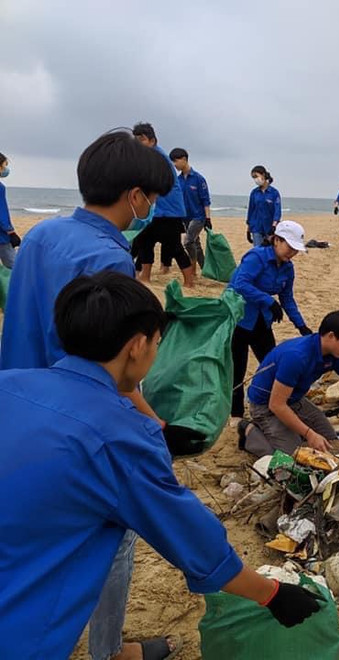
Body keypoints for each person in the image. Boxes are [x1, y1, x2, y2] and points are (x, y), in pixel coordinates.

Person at [0, 273, 324, 659]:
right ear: (137, 346)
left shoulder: (10, 382)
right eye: (157, 343)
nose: (156, 353)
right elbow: (190, 537)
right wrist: (271, 594)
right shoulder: (122, 437)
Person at [0, 129, 184, 660]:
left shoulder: (40, 236)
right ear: (135, 196)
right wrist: (153, 422)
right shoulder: (111, 259)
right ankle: (109, 651)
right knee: (113, 535)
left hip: (17, 404)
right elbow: (107, 367)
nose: (150, 206)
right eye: (150, 196)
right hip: (74, 419)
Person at [240, 310, 339, 457]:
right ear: (331, 336)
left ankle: (287, 431)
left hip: (294, 400)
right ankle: (249, 431)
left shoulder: (334, 355)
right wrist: (309, 434)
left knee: (329, 438)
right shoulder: (296, 357)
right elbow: (276, 405)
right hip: (265, 406)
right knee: (291, 457)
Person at [228, 220, 312, 421]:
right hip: (238, 317)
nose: (292, 253)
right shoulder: (256, 257)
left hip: (262, 321)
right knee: (237, 368)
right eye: (289, 247)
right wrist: (268, 301)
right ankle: (236, 414)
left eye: (296, 249)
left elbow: (287, 298)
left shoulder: (288, 268)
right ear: (276, 240)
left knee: (271, 362)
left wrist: (301, 325)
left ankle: (271, 403)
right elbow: (240, 283)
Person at [131, 122, 195, 287]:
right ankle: (145, 277)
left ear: (152, 141)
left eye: (142, 140)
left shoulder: (160, 159)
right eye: (136, 140)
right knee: (145, 242)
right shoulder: (144, 158)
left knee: (174, 247)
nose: (138, 143)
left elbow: (153, 183)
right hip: (153, 210)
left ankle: (189, 282)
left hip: (169, 212)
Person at [170, 147, 212, 270]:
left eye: (176, 161)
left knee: (188, 242)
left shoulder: (199, 179)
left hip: (198, 217)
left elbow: (206, 200)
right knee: (196, 244)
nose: (174, 164)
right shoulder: (177, 180)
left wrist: (208, 219)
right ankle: (204, 268)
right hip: (184, 217)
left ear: (184, 159)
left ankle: (192, 267)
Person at [247, 165, 282, 248]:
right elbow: (251, 210)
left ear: (263, 175)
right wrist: (248, 228)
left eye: (256, 176)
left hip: (270, 227)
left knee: (270, 250)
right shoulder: (254, 193)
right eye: (253, 177)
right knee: (258, 250)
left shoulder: (274, 193)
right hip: (256, 227)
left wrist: (274, 225)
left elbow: (277, 210)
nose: (255, 179)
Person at [0, 151, 21, 269]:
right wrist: (11, 232)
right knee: (15, 267)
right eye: (4, 165)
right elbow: (1, 213)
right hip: (1, 237)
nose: (5, 169)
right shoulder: (0, 188)